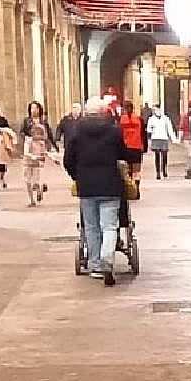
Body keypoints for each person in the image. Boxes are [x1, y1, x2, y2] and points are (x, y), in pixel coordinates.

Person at [65, 97, 125, 286]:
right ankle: (107, 257)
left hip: (87, 186)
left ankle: (95, 264)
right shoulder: (114, 131)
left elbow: (68, 159)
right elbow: (123, 154)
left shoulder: (76, 131)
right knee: (109, 226)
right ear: (103, 112)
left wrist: (77, 176)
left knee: (91, 227)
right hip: (110, 184)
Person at [23, 123, 59, 207]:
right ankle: (31, 200)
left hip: (37, 165)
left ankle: (39, 190)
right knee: (28, 182)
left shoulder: (41, 143)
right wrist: (36, 157)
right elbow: (26, 153)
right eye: (37, 134)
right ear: (32, 133)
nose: (38, 136)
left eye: (40, 134)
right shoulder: (28, 141)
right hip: (28, 164)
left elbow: (45, 152)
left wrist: (53, 159)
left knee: (36, 181)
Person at [145, 104, 177, 180]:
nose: (156, 111)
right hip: (155, 138)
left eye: (157, 110)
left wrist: (173, 138)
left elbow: (170, 128)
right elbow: (148, 129)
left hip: (164, 138)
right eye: (155, 110)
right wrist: (152, 130)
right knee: (157, 156)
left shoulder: (166, 118)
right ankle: (158, 172)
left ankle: (164, 169)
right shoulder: (151, 119)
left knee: (164, 155)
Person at [118, 101, 147, 183]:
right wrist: (144, 148)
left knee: (126, 170)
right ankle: (136, 186)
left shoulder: (120, 120)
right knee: (136, 171)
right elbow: (143, 134)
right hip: (136, 148)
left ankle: (129, 186)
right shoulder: (139, 119)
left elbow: (117, 134)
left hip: (125, 148)